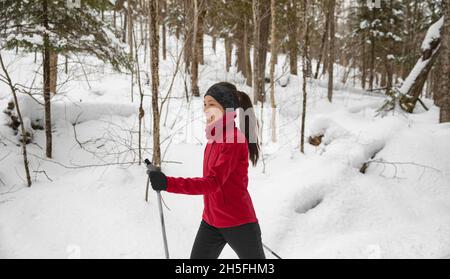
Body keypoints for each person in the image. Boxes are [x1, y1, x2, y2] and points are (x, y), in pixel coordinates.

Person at [148, 82, 265, 259]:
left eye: (211, 104)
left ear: (226, 108)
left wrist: (167, 183)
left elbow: (212, 183)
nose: (205, 110)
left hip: (238, 222)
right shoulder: (214, 140)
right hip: (212, 222)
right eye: (204, 104)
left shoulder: (233, 140)